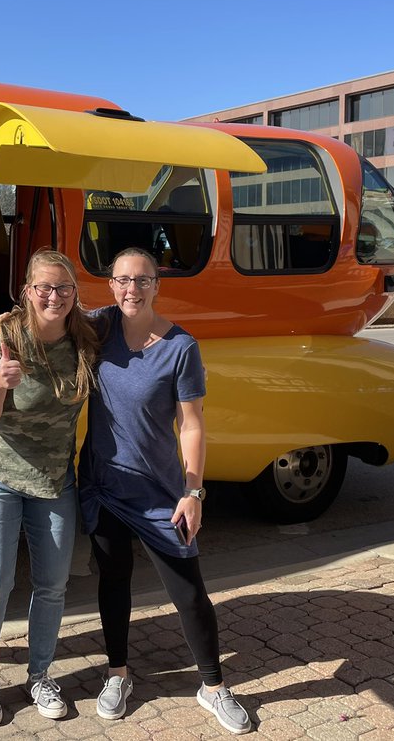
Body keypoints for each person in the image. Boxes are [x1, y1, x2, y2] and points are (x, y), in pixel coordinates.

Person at [78, 247, 253, 734]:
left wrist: (193, 491)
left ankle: (213, 687)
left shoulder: (180, 347)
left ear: (157, 285)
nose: (131, 289)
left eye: (142, 280)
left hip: (161, 493)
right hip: (104, 485)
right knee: (113, 581)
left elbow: (192, 426)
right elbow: (45, 315)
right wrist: (2, 323)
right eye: (122, 280)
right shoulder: (99, 326)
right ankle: (118, 674)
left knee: (190, 592)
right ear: (111, 285)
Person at [0, 249, 99, 727]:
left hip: (54, 476)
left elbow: (127, 313)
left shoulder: (86, 335)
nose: (54, 296)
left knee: (53, 585)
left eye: (64, 288)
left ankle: (39, 674)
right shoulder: (2, 337)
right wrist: (0, 383)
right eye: (43, 287)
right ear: (26, 290)